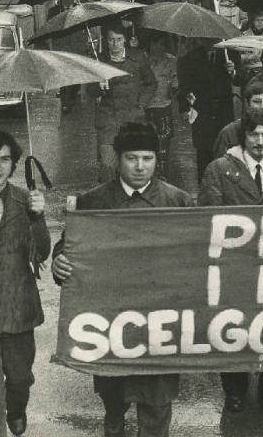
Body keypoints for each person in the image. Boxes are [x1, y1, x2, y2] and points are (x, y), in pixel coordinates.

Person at [52, 123, 193, 437]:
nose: (141, 166)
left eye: (148, 158)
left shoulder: (179, 203)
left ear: (158, 160)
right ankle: (114, 417)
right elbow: (69, 245)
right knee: (114, 392)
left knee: (157, 402)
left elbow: (198, 255)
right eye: (132, 158)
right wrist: (59, 261)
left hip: (161, 320)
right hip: (111, 318)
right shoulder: (94, 202)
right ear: (118, 159)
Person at [198, 107, 263, 425]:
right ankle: (235, 391)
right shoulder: (219, 169)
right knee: (233, 326)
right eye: (254, 134)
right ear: (243, 135)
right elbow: (208, 217)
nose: (260, 141)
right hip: (235, 265)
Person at [0, 130, 50, 437]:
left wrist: (38, 216)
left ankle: (18, 406)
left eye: (4, 159)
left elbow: (43, 252)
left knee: (19, 379)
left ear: (13, 164)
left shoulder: (26, 200)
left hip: (18, 308)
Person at [88, 19, 157, 181]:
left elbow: (151, 83)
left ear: (125, 40)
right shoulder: (99, 60)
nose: (115, 44)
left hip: (133, 120)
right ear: (106, 41)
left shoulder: (138, 57)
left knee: (131, 167)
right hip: (108, 121)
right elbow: (90, 90)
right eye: (111, 40)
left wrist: (141, 105)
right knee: (108, 165)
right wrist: (100, 87)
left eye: (119, 39)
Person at [177, 40, 240, 182]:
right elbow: (184, 88)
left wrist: (233, 72)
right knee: (204, 155)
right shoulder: (190, 58)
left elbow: (241, 79)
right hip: (203, 116)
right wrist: (186, 108)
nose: (210, 40)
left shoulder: (229, 54)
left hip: (224, 114)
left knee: (225, 153)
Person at [145, 34, 178, 179]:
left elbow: (176, 83)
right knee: (149, 141)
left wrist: (175, 86)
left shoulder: (171, 61)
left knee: (164, 141)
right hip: (148, 107)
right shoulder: (143, 60)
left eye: (161, 44)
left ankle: (162, 173)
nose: (157, 48)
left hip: (164, 106)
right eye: (154, 44)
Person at [240, 10, 263, 77]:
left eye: (262, 20)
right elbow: (239, 56)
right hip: (248, 70)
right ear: (253, 21)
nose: (260, 23)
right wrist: (250, 57)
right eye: (257, 20)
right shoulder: (244, 36)